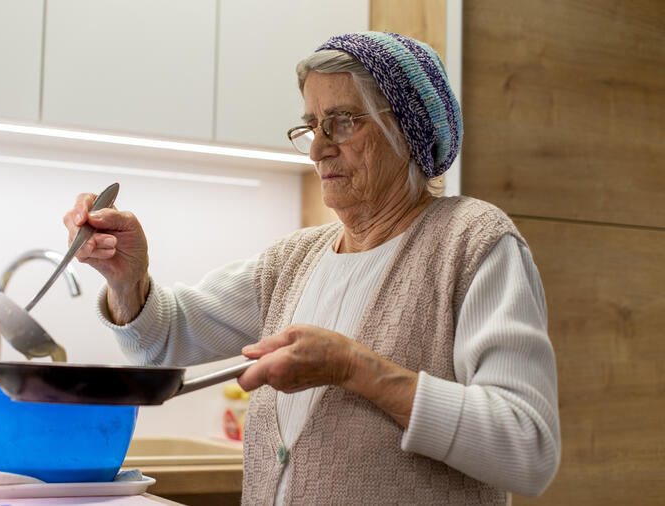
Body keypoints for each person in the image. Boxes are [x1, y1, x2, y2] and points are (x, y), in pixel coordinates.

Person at [64, 31, 560, 505]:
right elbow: (164, 340)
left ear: (408, 132)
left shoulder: (472, 241)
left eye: (342, 121)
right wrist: (128, 279)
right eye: (311, 125)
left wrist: (354, 368)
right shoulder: (293, 260)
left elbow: (528, 446)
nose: (319, 148)